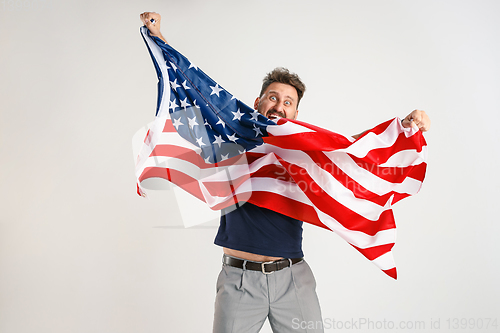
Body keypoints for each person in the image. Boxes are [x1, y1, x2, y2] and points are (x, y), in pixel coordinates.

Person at [140, 12, 431, 333]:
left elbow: (351, 150)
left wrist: (405, 126)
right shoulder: (231, 139)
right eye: (273, 97)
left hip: (293, 280)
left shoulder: (302, 153)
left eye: (288, 102)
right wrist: (159, 38)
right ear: (258, 102)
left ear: (295, 112)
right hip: (239, 282)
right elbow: (194, 91)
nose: (279, 106)